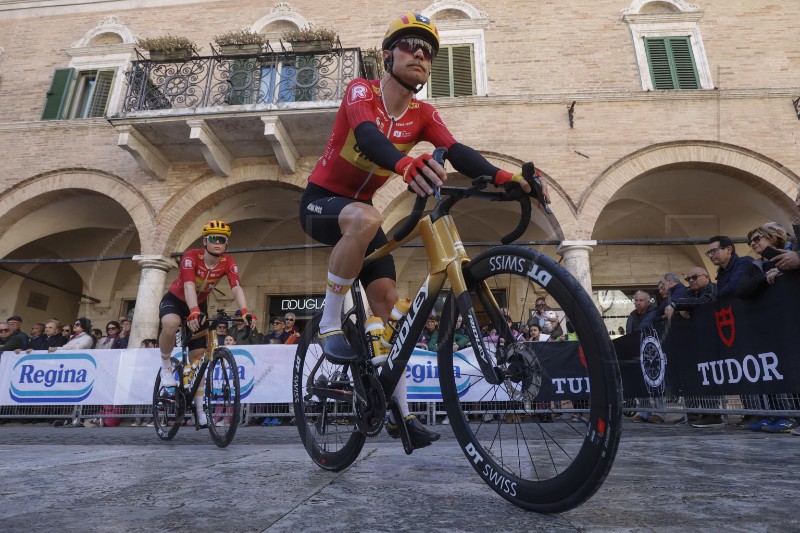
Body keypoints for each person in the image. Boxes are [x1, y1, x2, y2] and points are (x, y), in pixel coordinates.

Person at [297, 13, 549, 447]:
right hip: (322, 204)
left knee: (390, 308)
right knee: (367, 216)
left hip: (361, 214)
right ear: (387, 55)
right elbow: (369, 136)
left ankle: (401, 415)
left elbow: (457, 151)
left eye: (428, 51)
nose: (420, 54)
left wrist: (508, 179)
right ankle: (331, 322)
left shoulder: (423, 114)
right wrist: (404, 163)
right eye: (410, 45)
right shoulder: (363, 91)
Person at [156, 220, 255, 429]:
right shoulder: (192, 257)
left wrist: (245, 311)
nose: (218, 242)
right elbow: (189, 284)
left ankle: (200, 412)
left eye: (222, 239)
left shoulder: (228, 261)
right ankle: (166, 366)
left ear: (226, 244)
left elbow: (236, 287)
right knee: (171, 323)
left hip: (199, 306)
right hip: (177, 300)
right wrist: (192, 311)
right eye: (213, 238)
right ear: (205, 241)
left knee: (198, 357)